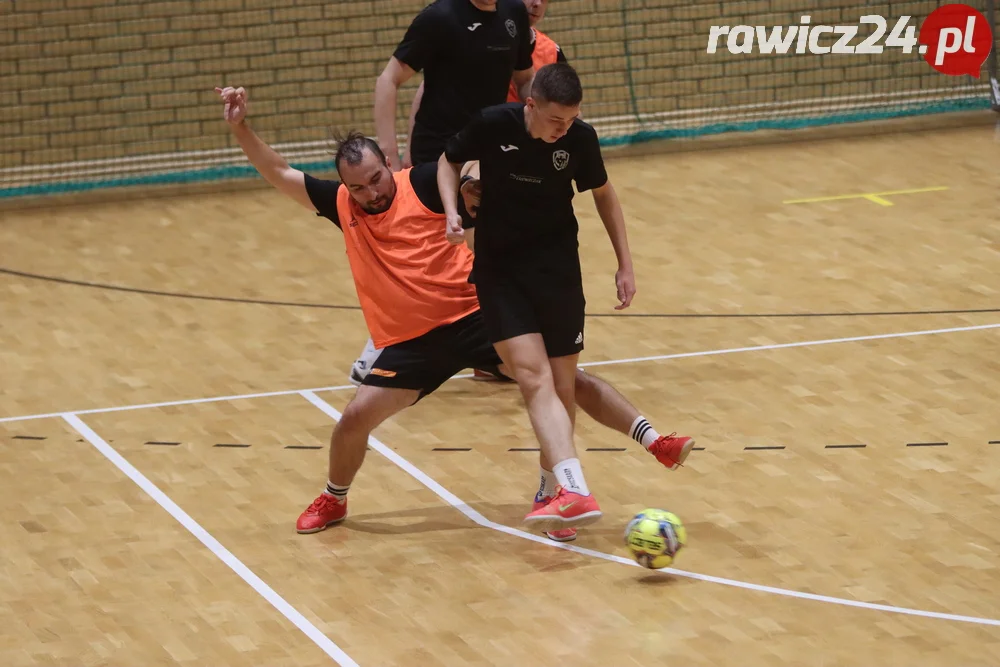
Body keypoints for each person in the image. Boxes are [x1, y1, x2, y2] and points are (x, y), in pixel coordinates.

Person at [215, 85, 696, 542]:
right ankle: (334, 498)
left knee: (563, 380)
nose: (371, 192)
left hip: (476, 317)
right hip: (412, 343)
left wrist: (476, 188)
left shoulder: (421, 183)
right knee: (353, 421)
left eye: (377, 178)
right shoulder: (343, 206)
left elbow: (471, 176)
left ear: (389, 163)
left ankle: (637, 449)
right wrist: (241, 129)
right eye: (358, 187)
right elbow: (280, 173)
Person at [438, 63, 635, 532]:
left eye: (569, 121)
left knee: (560, 388)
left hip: (557, 270)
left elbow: (604, 196)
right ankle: (574, 486)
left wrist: (625, 263)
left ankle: (555, 491)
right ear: (530, 106)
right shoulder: (493, 124)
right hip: (501, 271)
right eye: (553, 120)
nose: (561, 129)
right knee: (532, 376)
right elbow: (448, 160)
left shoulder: (579, 139)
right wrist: (452, 211)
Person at [403, 0, 567, 169]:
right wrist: (408, 147)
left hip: (509, 147)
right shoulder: (470, 28)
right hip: (454, 142)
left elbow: (565, 102)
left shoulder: (551, 51)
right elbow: (427, 89)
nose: (537, 4)